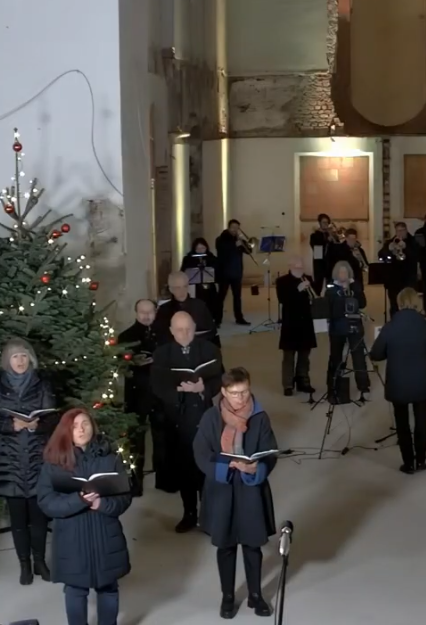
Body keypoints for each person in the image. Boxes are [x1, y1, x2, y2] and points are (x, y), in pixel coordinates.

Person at [193, 367, 278, 619]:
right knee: (226, 546)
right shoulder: (211, 417)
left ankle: (255, 595)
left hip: (250, 488)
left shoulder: (260, 417)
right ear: (223, 392)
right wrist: (223, 468)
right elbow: (201, 453)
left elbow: (270, 451)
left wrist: (256, 467)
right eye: (234, 393)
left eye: (245, 392)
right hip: (223, 487)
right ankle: (228, 596)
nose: (240, 398)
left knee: (253, 545)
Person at [37, 410, 132, 625]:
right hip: (72, 538)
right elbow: (46, 502)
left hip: (106, 534)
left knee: (108, 588)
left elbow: (124, 497)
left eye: (85, 424)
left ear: (93, 426)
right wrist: (79, 501)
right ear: (65, 431)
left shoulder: (111, 457)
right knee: (75, 589)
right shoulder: (53, 463)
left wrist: (102, 504)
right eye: (74, 425)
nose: (81, 429)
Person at [0, 338, 57, 585]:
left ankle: (40, 562)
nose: (20, 361)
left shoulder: (42, 384)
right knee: (18, 519)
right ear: (7, 361)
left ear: (30, 358)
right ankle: (24, 564)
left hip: (38, 457)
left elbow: (53, 418)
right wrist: (10, 424)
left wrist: (38, 424)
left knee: (38, 516)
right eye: (15, 357)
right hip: (9, 459)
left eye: (24, 356)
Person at [152, 311, 225, 533]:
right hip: (177, 418)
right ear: (172, 331)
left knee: (206, 466)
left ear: (195, 328)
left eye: (188, 329)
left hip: (203, 415)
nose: (184, 334)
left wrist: (203, 388)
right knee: (184, 468)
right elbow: (158, 385)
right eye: (179, 329)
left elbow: (221, 377)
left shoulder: (209, 349)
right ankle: (189, 513)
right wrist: (180, 392)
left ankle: (209, 515)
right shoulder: (162, 353)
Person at [370, 287, 426, 473]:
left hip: (398, 382)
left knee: (402, 423)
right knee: (421, 421)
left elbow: (376, 354)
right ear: (417, 303)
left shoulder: (390, 327)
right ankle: (421, 460)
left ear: (399, 302)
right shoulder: (424, 325)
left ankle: (408, 463)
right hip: (421, 380)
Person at [117, 299, 170, 495]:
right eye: (142, 312)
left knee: (162, 439)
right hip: (136, 396)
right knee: (135, 441)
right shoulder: (126, 337)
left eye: (150, 312)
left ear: (156, 312)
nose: (146, 316)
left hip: (160, 395)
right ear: (136, 312)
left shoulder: (166, 334)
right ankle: (135, 483)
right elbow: (120, 365)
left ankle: (165, 480)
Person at [324, 260, 371, 402]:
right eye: (340, 272)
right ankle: (333, 384)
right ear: (336, 274)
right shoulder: (331, 289)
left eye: (345, 272)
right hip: (337, 327)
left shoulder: (355, 286)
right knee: (336, 356)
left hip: (355, 325)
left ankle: (363, 384)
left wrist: (354, 291)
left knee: (358, 355)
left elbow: (362, 303)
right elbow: (328, 309)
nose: (343, 274)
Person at [275, 257, 318, 396]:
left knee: (304, 355)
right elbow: (283, 299)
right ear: (290, 266)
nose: (300, 269)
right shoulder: (282, 281)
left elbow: (315, 297)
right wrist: (297, 289)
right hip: (290, 322)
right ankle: (287, 384)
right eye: (297, 266)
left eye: (301, 266)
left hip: (305, 322)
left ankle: (303, 381)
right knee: (288, 355)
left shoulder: (308, 279)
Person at [156, 271, 219, 347]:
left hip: (199, 349)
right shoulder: (164, 310)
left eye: (185, 286)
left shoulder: (200, 305)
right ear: (170, 289)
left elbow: (212, 333)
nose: (182, 291)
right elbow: (161, 337)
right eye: (177, 288)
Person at [379, 222, 422, 317]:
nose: (400, 233)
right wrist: (388, 249)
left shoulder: (413, 242)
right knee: (394, 304)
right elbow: (381, 256)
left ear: (406, 230)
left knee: (410, 303)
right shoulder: (391, 241)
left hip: (409, 278)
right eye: (398, 231)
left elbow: (418, 256)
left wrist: (406, 248)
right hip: (394, 279)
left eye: (402, 230)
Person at [215, 219, 253, 325]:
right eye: (233, 228)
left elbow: (249, 251)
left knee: (237, 297)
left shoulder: (238, 240)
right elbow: (222, 251)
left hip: (237, 272)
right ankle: (217, 319)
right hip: (224, 273)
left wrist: (244, 242)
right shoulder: (220, 239)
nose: (235, 230)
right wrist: (235, 245)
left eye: (237, 228)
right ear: (228, 227)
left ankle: (239, 318)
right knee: (221, 297)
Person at [181, 237, 222, 324]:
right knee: (196, 303)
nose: (200, 250)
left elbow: (218, 272)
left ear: (206, 248)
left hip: (209, 285)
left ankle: (211, 319)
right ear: (194, 249)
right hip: (194, 286)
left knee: (212, 301)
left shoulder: (211, 258)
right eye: (198, 248)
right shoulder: (188, 258)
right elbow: (183, 271)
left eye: (203, 248)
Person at [309, 213, 334, 289]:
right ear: (319, 223)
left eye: (327, 222)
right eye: (324, 222)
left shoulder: (330, 234)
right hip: (319, 263)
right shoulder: (314, 235)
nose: (326, 224)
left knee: (330, 285)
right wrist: (327, 241)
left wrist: (333, 238)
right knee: (318, 285)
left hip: (329, 263)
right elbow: (317, 248)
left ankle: (330, 298)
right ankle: (318, 299)